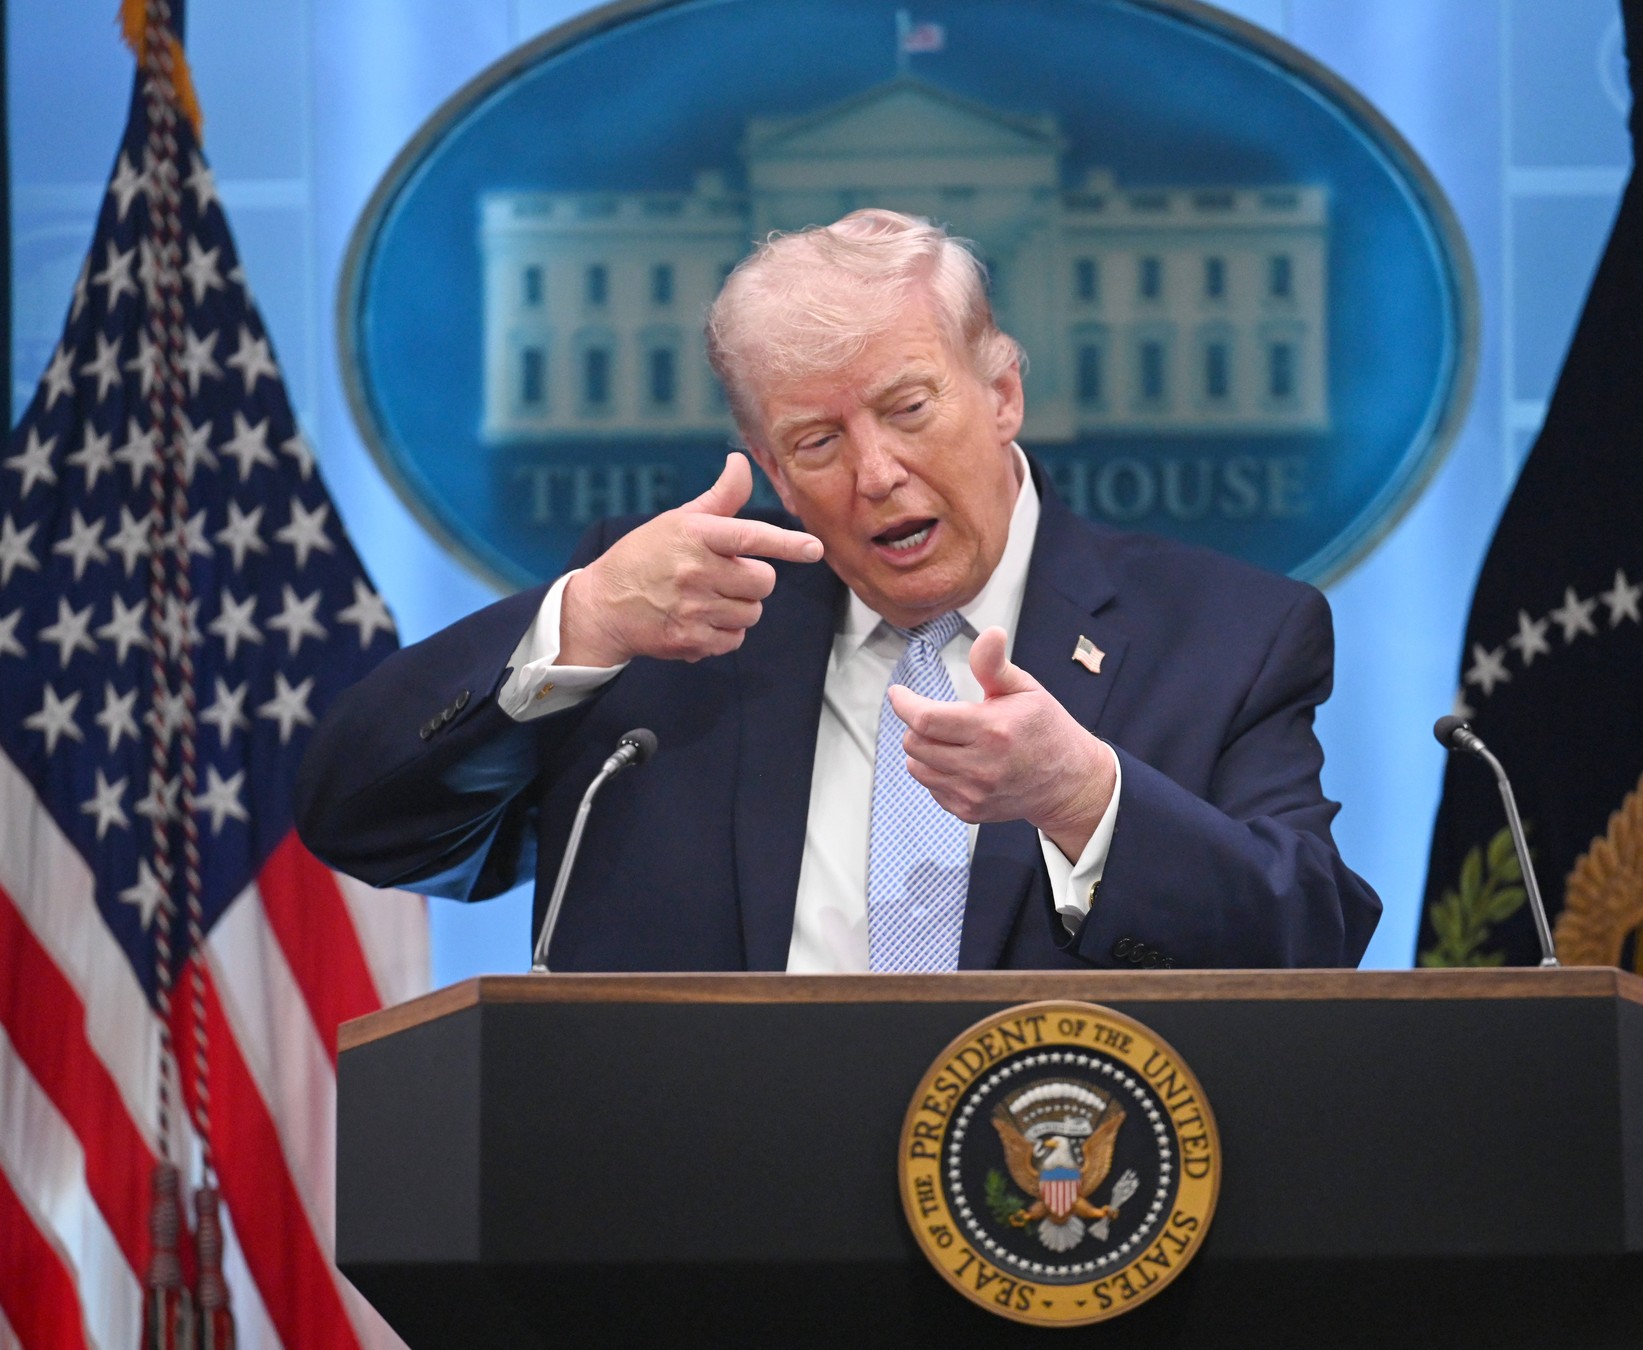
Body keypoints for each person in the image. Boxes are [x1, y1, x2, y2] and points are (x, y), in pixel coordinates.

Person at [295, 209, 1380, 972]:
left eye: (909, 409)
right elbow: (362, 821)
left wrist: (1084, 799)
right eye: (817, 439)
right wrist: (581, 620)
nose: (875, 474)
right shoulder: (674, 625)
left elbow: (1312, 942)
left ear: (1001, 391)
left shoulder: (1228, 635)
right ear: (766, 464)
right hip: (704, 1258)